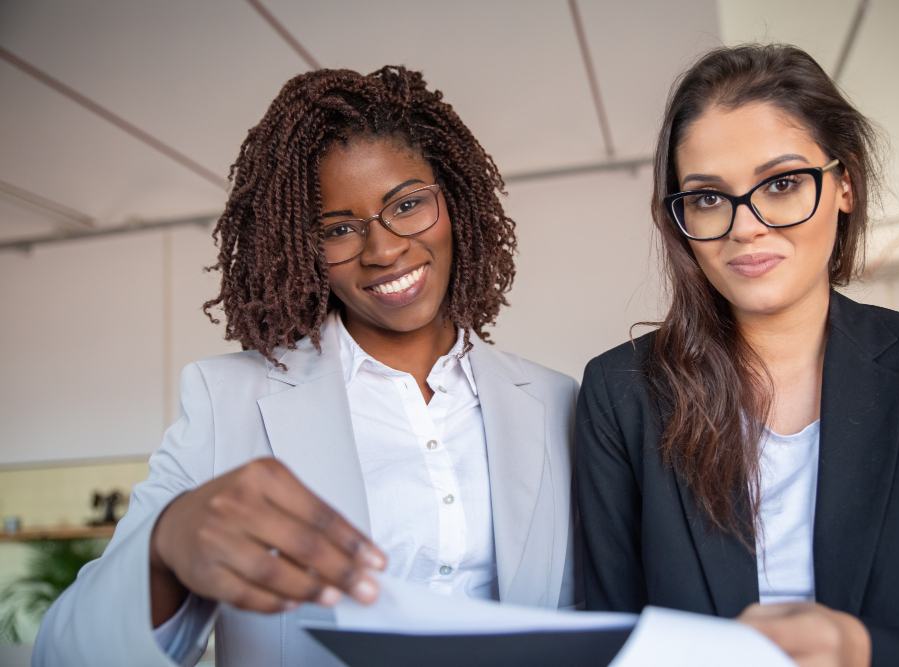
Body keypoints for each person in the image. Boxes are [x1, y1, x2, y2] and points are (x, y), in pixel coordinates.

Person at [35, 66, 577, 667]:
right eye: (339, 229)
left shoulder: (557, 404)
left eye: (408, 204)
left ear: (452, 198)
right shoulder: (226, 404)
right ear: (300, 246)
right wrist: (163, 551)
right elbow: (63, 654)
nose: (384, 249)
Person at [575, 44, 899, 667]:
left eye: (781, 183)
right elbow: (612, 642)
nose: (744, 226)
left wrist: (856, 648)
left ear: (844, 184)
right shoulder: (622, 392)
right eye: (709, 197)